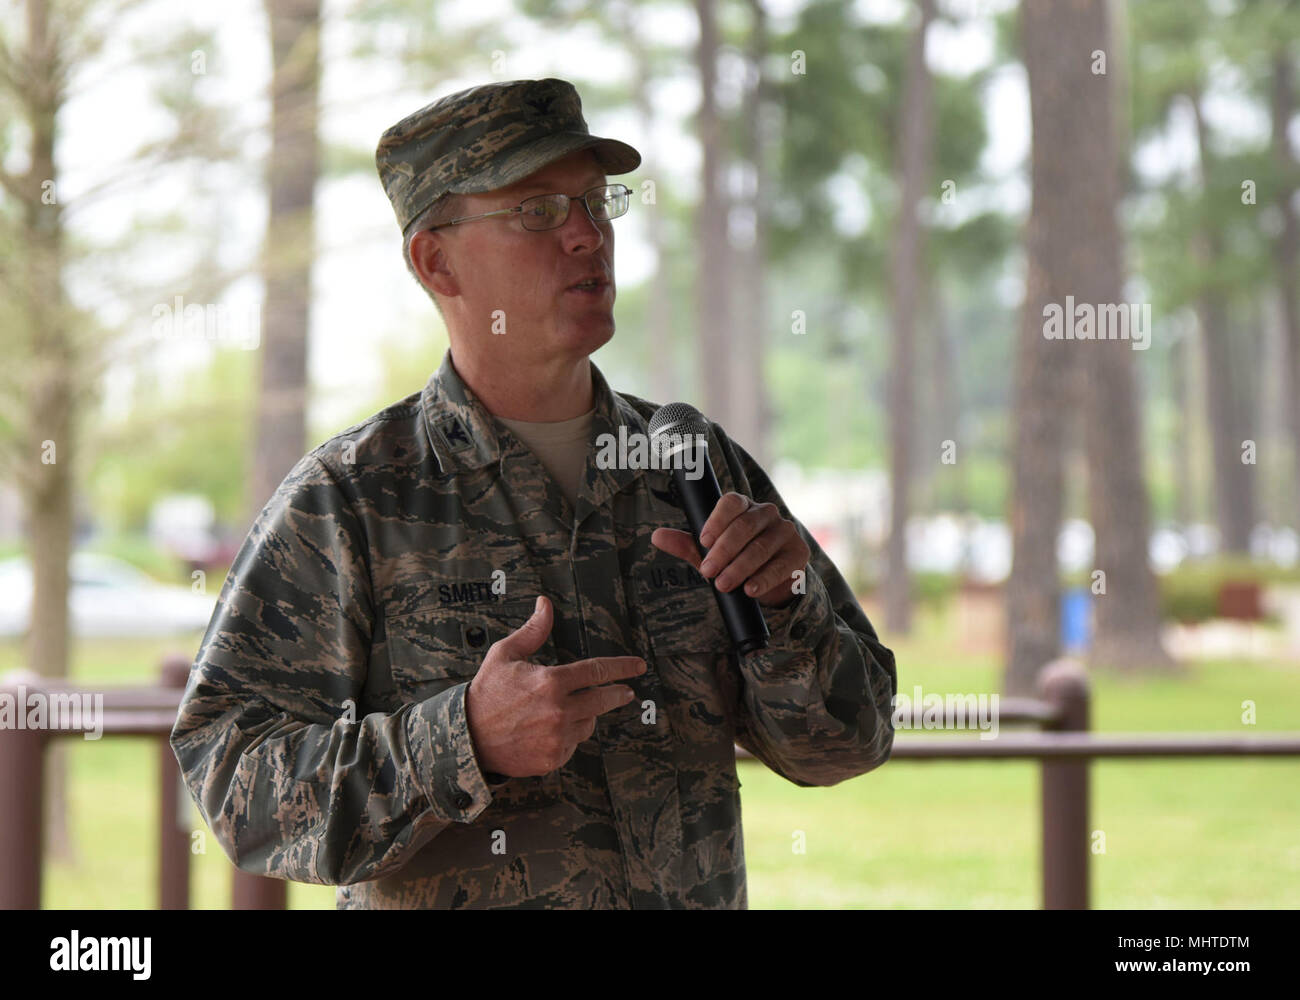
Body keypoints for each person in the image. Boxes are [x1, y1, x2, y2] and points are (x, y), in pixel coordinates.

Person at [170, 77, 897, 910]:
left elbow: (846, 746)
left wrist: (788, 606)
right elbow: (233, 783)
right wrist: (461, 740)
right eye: (538, 211)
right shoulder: (349, 501)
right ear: (436, 259)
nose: (590, 236)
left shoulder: (691, 466)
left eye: (596, 201)